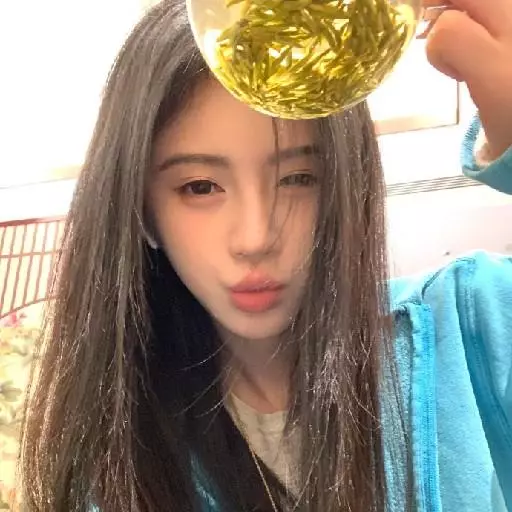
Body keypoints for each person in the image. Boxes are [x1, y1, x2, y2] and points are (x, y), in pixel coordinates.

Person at [19, 0, 512, 510]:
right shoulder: (117, 464)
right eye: (200, 187)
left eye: (297, 178)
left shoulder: (473, 322)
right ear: (142, 213)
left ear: (345, 183)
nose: (255, 238)